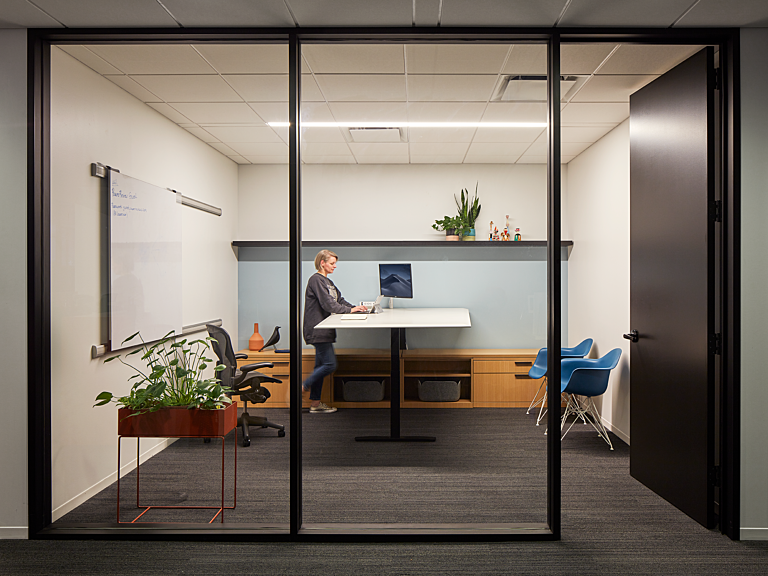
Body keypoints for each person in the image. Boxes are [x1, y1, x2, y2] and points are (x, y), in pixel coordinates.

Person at [302, 250, 367, 413]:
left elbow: (339, 300)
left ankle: (315, 404)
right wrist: (350, 311)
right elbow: (328, 305)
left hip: (325, 329)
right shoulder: (316, 280)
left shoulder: (328, 282)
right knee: (330, 364)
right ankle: (303, 386)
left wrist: (356, 308)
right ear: (322, 263)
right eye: (332, 263)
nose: (335, 266)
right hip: (317, 329)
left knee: (320, 366)